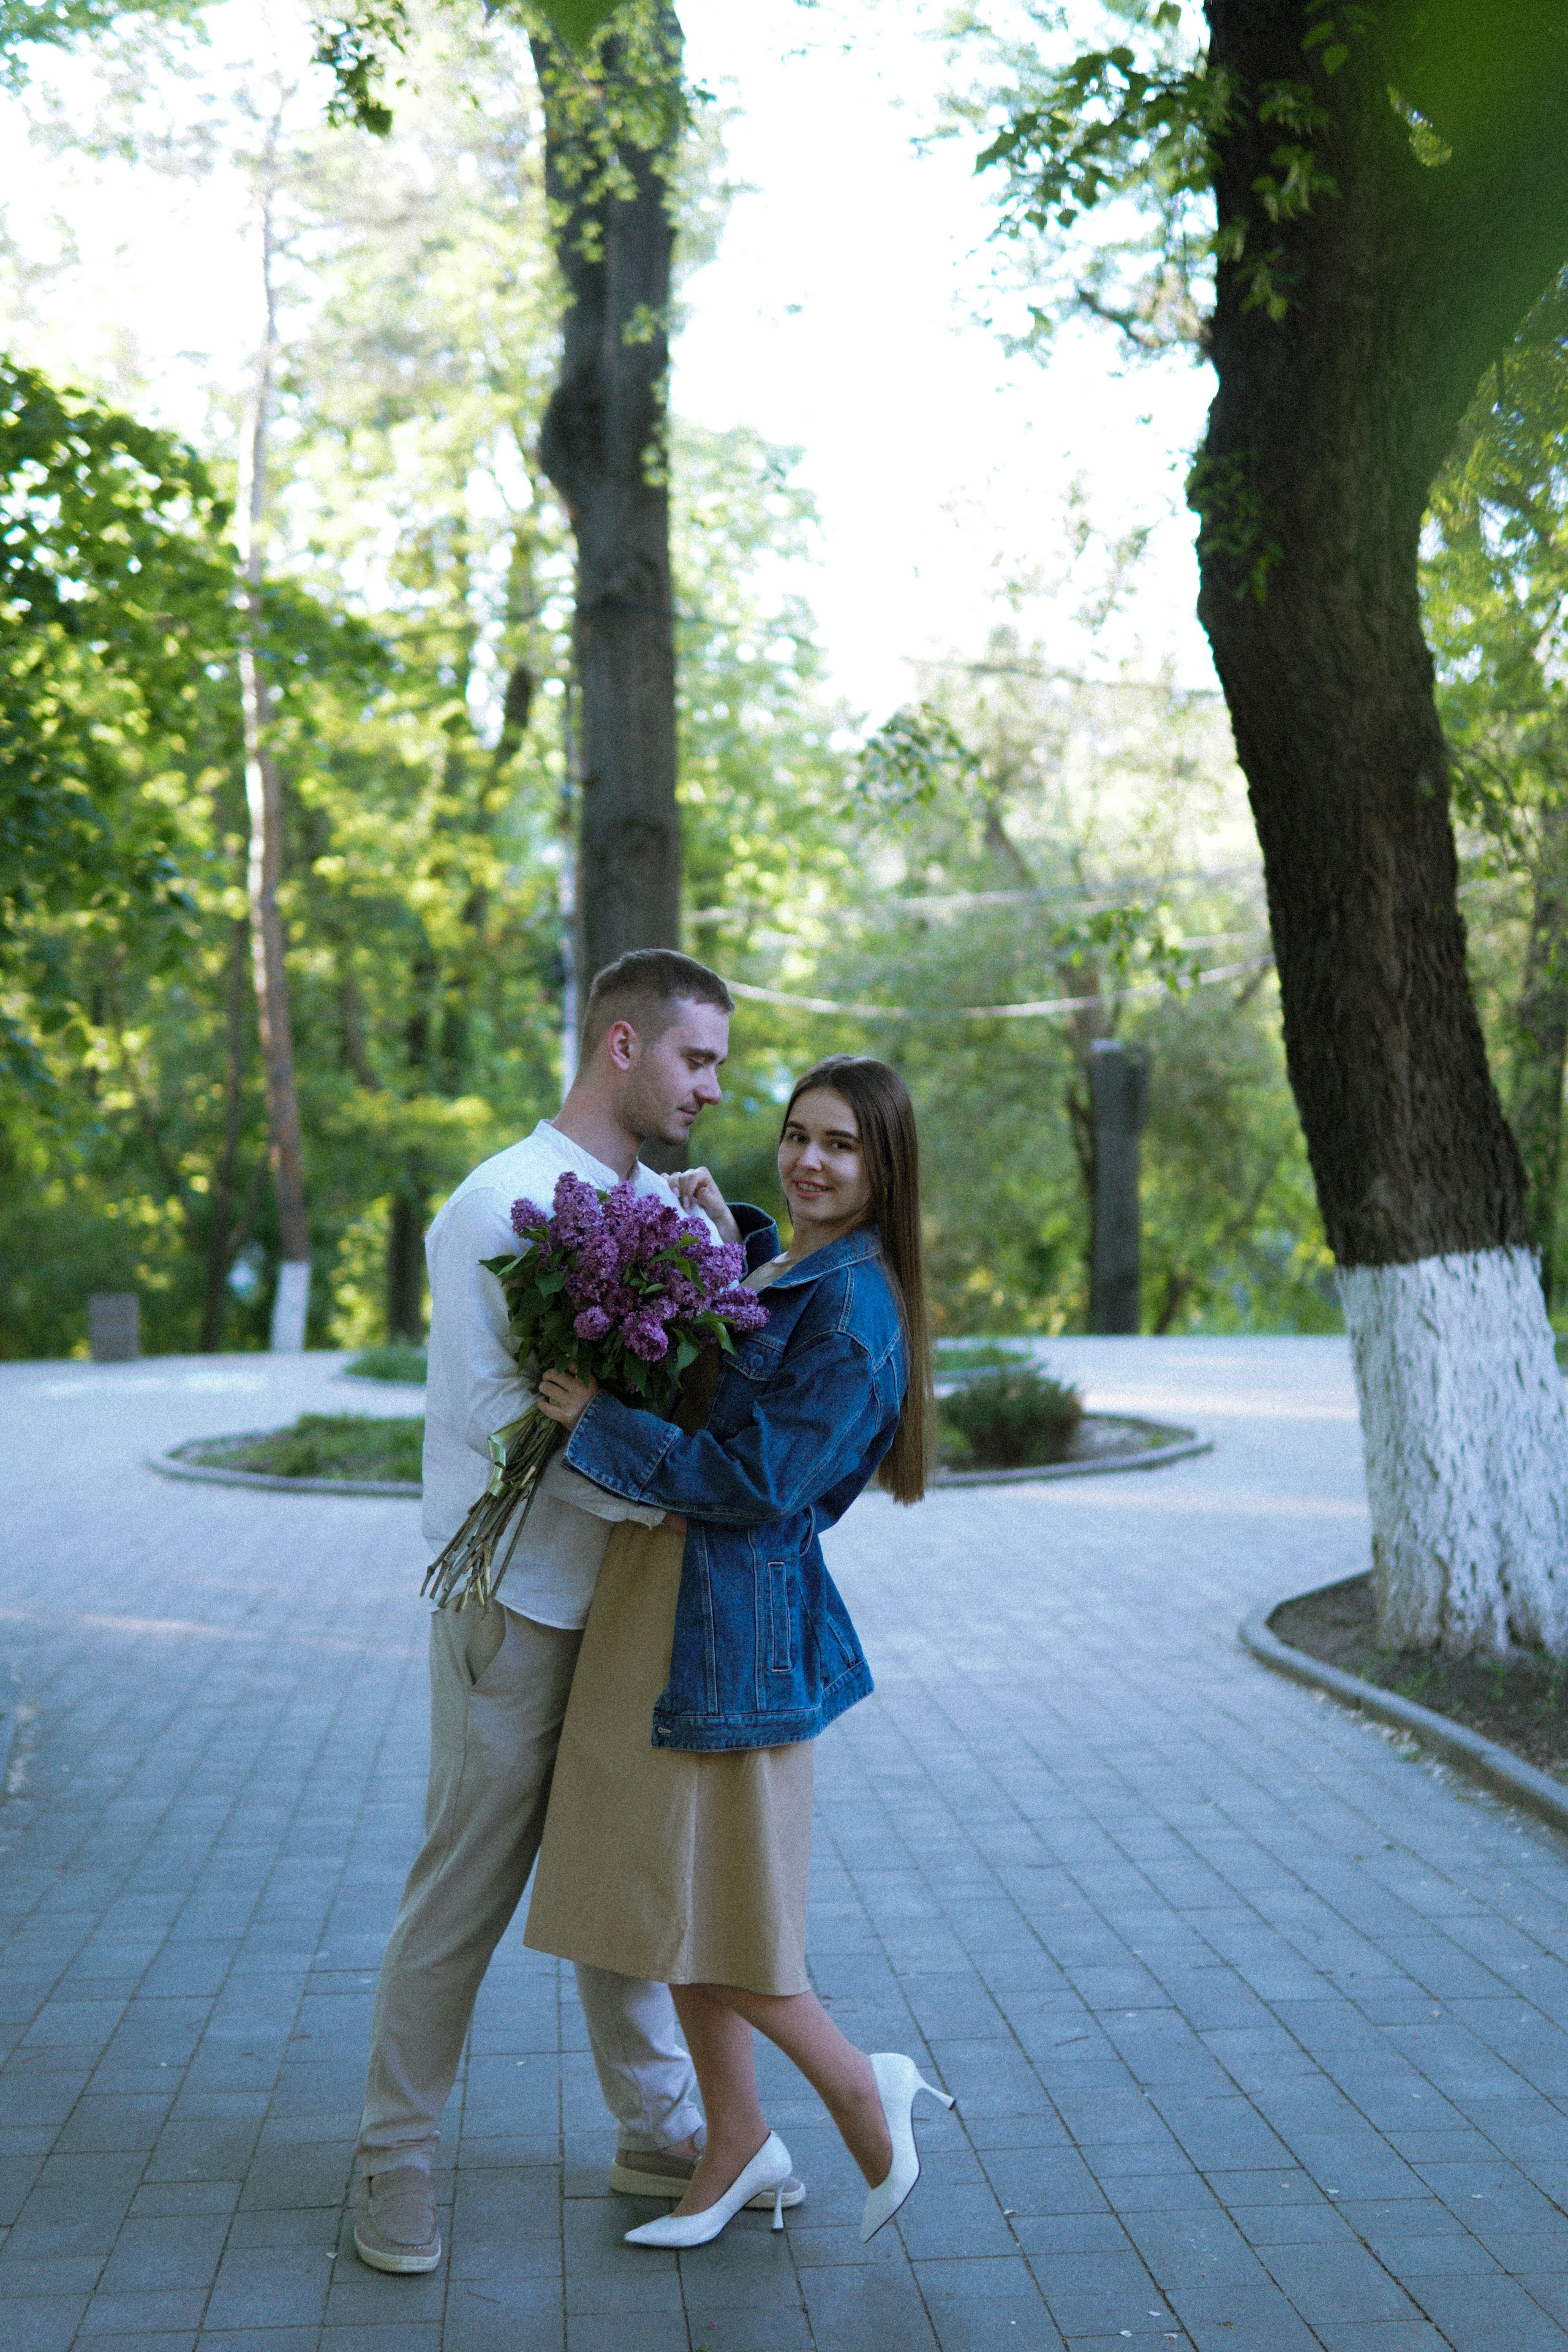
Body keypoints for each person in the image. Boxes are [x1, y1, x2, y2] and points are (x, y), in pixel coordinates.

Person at [352, 949, 796, 2276]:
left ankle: (659, 2130)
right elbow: (494, 1416)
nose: (714, 1088)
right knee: (462, 1894)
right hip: (515, 1605)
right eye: (695, 1059)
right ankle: (393, 2162)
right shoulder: (495, 1202)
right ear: (620, 1045)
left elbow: (709, 1383)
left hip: (629, 1612)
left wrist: (733, 1256)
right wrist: (645, 1501)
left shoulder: (664, 1203)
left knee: (619, 1885)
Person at [526, 1054, 954, 2251]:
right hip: (674, 1601)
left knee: (718, 1914)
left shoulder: (859, 1312)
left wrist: (598, 1426)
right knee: (677, 1904)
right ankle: (734, 2141)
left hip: (729, 1628)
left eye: (841, 1147)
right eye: (798, 1135)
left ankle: (865, 2092)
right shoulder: (804, 1268)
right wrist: (725, 1236)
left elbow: (760, 1478)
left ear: (884, 1167)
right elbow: (755, 1329)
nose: (810, 1161)